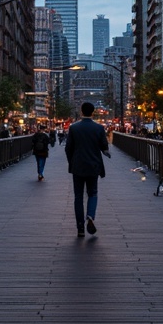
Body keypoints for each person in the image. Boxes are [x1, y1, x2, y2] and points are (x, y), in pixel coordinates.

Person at [65, 102, 110, 238]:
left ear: (81, 111)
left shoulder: (74, 128)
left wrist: (72, 162)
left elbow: (68, 148)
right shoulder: (99, 128)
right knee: (93, 193)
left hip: (78, 166)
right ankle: (90, 216)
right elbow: (104, 147)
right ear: (93, 112)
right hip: (93, 166)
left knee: (78, 196)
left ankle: (80, 227)